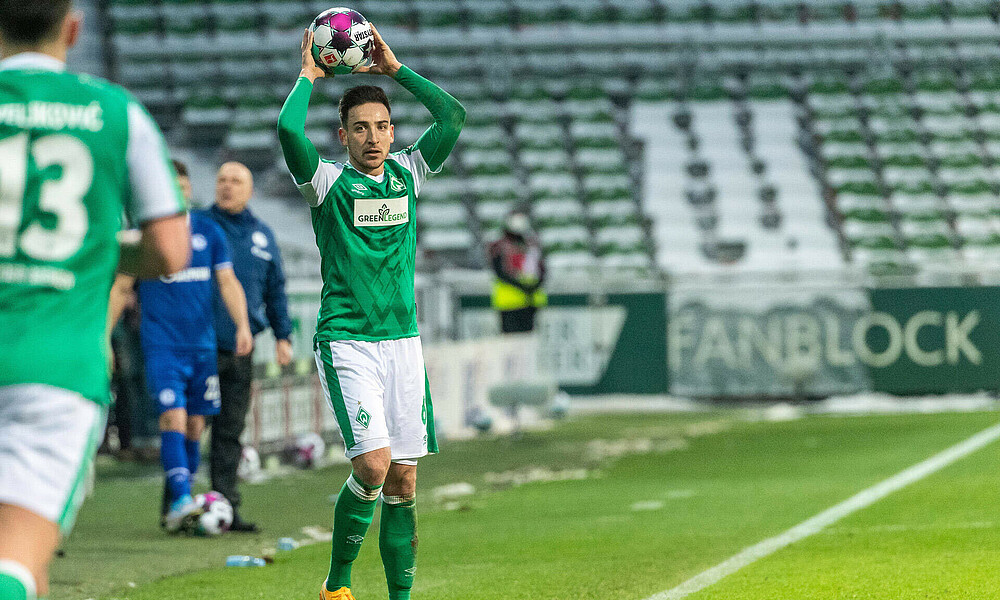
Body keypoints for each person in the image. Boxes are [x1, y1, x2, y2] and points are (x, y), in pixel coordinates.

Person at [0, 2, 190, 598]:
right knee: (16, 565)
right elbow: (168, 251)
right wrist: (88, 250)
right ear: (73, 28)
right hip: (54, 372)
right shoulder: (116, 113)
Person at [277, 24, 464, 600]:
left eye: (382, 126)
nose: (374, 137)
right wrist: (310, 74)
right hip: (348, 340)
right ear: (343, 135)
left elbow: (452, 117)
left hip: (403, 342)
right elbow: (287, 127)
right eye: (361, 128)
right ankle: (336, 587)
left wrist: (394, 70)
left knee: (404, 480)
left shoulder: (409, 172)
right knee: (374, 467)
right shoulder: (326, 183)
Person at [107, 159, 253, 532]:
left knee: (195, 426)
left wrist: (242, 325)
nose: (178, 192)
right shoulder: (142, 238)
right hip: (162, 346)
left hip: (203, 348)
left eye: (183, 186)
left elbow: (227, 282)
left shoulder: (209, 232)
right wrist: (104, 338)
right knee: (172, 418)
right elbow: (122, 289)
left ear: (189, 190)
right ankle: (183, 500)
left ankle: (179, 509)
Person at [201, 161, 294, 532]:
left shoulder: (263, 235)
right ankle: (176, 504)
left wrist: (283, 336)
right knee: (191, 426)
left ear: (249, 190)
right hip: (198, 344)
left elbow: (276, 289)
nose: (226, 186)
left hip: (241, 347)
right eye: (221, 179)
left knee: (229, 431)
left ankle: (225, 507)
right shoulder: (200, 227)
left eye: (236, 181)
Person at [488, 210, 547, 333]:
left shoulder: (533, 244)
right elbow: (499, 272)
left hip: (531, 301)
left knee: (528, 341)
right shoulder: (499, 246)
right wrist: (523, 287)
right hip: (509, 302)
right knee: (512, 344)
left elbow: (542, 270)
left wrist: (533, 287)